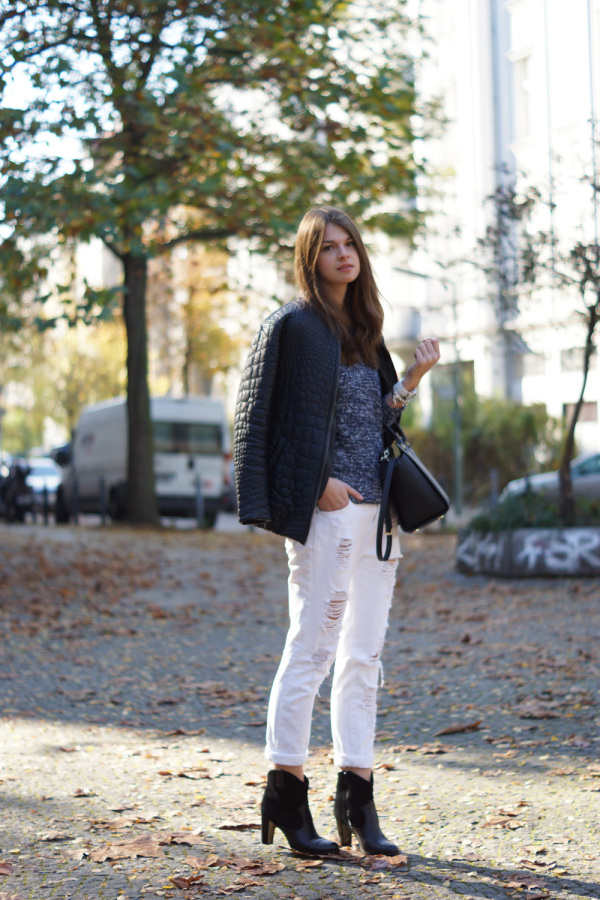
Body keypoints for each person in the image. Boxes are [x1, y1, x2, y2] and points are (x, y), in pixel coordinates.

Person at [234, 206, 440, 856]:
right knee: (313, 650)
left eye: (350, 244)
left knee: (365, 658)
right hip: (328, 513)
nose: (344, 255)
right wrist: (312, 485)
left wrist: (409, 378)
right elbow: (256, 419)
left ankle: (357, 793)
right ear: (310, 258)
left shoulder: (364, 331)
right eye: (330, 247)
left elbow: (374, 424)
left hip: (379, 514)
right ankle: (285, 789)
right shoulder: (293, 325)